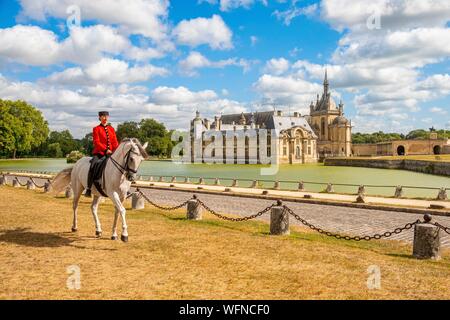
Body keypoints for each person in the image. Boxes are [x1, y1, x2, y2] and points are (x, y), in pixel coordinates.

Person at [85, 111, 119, 197]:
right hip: (100, 153)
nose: (105, 118)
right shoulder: (96, 129)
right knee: (93, 165)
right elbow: (96, 142)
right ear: (100, 118)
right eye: (103, 116)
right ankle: (88, 188)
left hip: (111, 153)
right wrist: (105, 150)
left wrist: (116, 150)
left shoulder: (111, 129)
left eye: (106, 116)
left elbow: (115, 142)